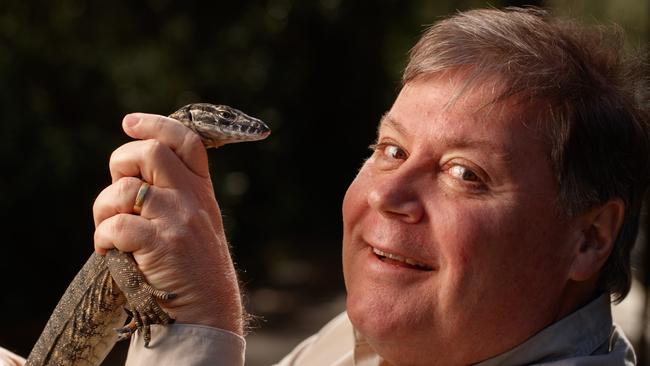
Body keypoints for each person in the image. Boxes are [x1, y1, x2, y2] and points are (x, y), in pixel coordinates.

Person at [3, 6, 647, 366]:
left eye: (464, 174)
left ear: (589, 238)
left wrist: (196, 329)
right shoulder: (370, 343)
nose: (388, 195)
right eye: (389, 149)